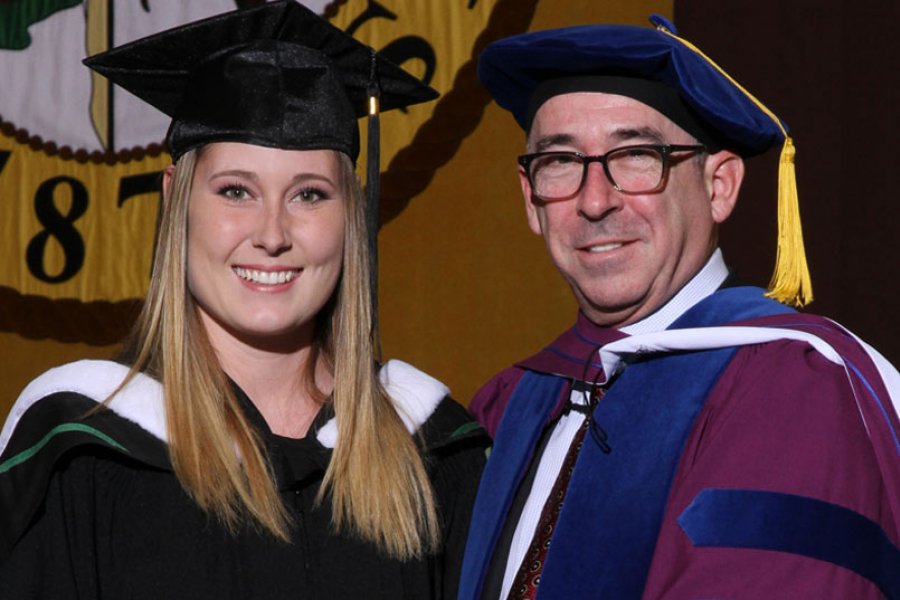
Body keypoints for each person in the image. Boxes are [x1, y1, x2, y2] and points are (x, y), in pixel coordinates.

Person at [0, 3, 488, 598]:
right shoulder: (81, 445)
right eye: (235, 190)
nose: (272, 233)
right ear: (176, 201)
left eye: (309, 194)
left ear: (351, 214)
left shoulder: (432, 450)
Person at [459, 15, 900, 600]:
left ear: (719, 186)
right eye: (561, 162)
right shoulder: (513, 403)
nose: (595, 201)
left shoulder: (793, 387)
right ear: (531, 199)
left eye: (637, 155)